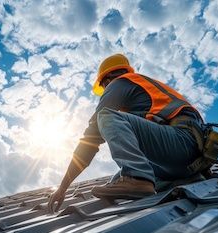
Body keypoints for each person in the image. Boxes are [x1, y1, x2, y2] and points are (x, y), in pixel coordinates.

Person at [48, 53, 205, 213]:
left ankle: (138, 179)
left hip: (181, 143)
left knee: (106, 116)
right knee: (116, 180)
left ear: (107, 80)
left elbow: (91, 138)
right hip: (187, 163)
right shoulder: (142, 91)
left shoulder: (121, 82)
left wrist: (62, 187)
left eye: (103, 88)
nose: (105, 91)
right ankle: (152, 179)